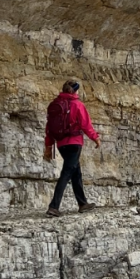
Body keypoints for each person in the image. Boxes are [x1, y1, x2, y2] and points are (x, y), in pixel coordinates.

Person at [45, 80, 101, 216]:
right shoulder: (77, 104)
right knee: (67, 173)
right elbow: (86, 125)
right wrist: (95, 138)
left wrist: (48, 145)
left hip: (61, 144)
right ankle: (53, 207)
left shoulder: (55, 105)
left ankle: (82, 203)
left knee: (76, 172)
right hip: (74, 143)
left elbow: (49, 127)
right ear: (75, 91)